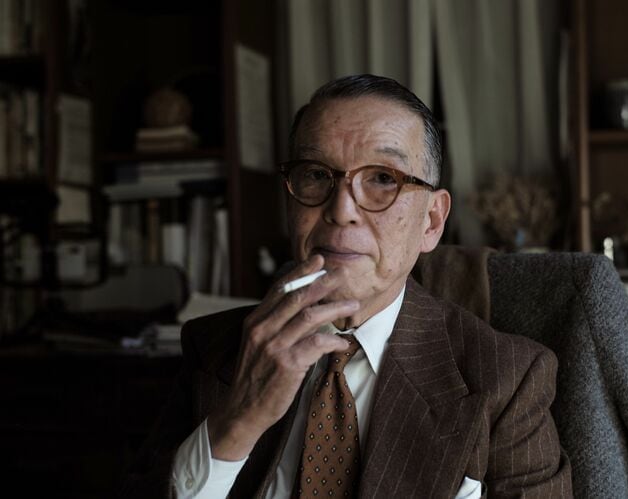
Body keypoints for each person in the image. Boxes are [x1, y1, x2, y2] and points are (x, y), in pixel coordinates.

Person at [121, 74, 572, 498]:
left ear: (432, 221)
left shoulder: (508, 379)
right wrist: (238, 420)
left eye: (382, 179)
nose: (341, 210)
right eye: (316, 174)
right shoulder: (213, 348)